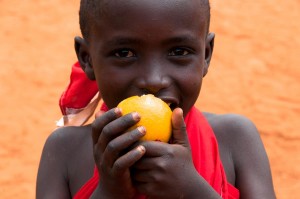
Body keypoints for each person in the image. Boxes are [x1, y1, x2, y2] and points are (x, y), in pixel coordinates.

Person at [36, 0, 276, 198]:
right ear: (87, 58)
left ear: (206, 54)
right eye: (124, 53)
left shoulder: (235, 138)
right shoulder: (64, 151)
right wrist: (109, 191)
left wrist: (193, 191)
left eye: (179, 52)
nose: (154, 80)